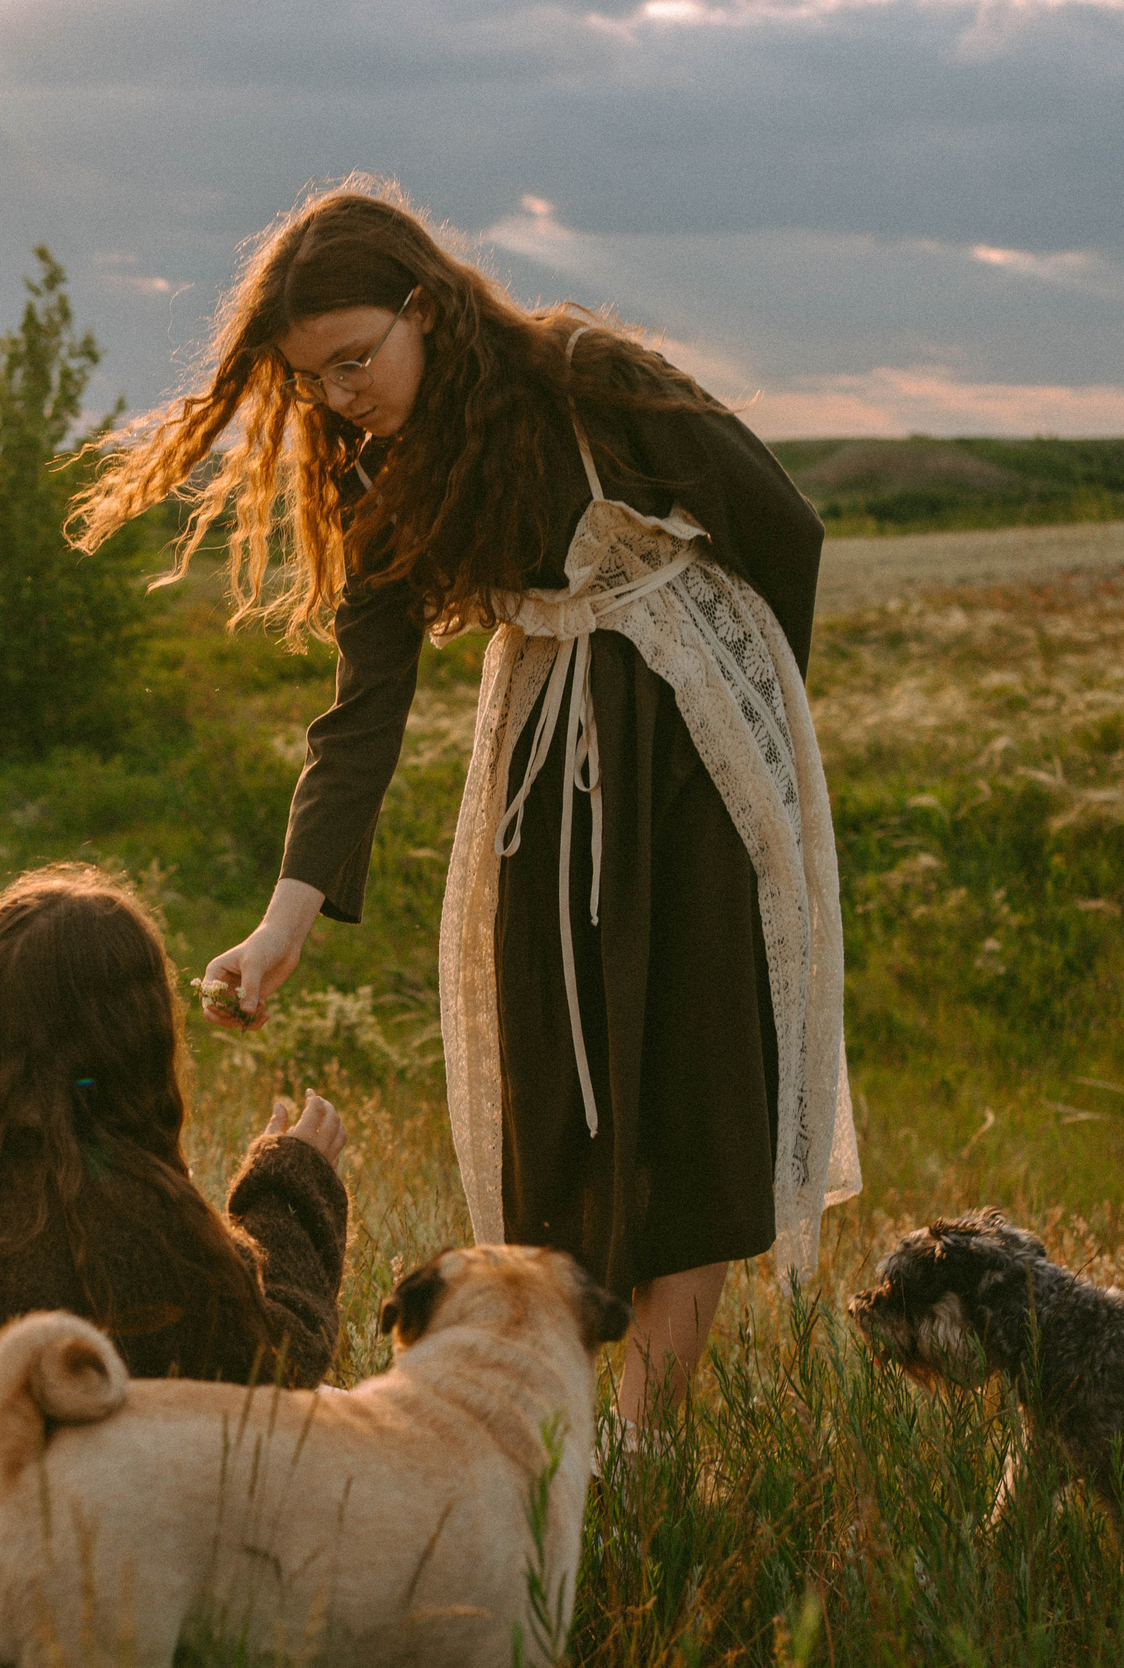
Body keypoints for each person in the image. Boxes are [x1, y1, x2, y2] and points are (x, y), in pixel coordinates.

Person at [69, 178, 861, 1435]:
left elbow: (785, 529)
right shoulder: (374, 473)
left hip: (690, 774)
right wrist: (281, 927)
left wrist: (753, 743)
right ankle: (570, 1404)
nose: (339, 396)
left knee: (689, 1098)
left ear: (426, 304)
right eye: (313, 379)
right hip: (543, 791)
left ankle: (636, 1444)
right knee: (555, 1099)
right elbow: (361, 713)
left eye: (354, 359)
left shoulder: (588, 377)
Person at [0, 864, 349, 1587]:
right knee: (351, 1431)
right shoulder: (125, 1208)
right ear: (138, 1031)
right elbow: (274, 1370)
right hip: (39, 1597)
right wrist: (291, 1184)